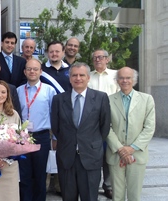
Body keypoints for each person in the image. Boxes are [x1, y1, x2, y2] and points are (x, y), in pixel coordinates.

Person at [51, 62, 111, 201]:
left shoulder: (101, 98)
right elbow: (56, 126)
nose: (78, 78)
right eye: (74, 75)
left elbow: (105, 126)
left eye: (82, 75)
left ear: (88, 77)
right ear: (70, 78)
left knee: (90, 197)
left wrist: (91, 142)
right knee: (68, 197)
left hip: (91, 156)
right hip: (66, 157)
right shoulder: (59, 99)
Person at [106, 67, 155, 201]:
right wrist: (121, 150)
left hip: (137, 154)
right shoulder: (108, 100)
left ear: (134, 80)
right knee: (117, 195)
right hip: (116, 154)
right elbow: (106, 127)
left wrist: (131, 148)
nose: (125, 81)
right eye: (121, 78)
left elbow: (149, 127)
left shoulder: (147, 99)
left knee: (135, 195)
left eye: (128, 78)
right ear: (117, 81)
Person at [17, 59, 57, 201]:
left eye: (35, 69)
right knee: (25, 175)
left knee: (40, 175)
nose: (32, 71)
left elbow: (54, 114)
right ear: (25, 72)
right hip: (22, 137)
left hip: (42, 136)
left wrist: (55, 137)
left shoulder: (49, 90)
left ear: (41, 71)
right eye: (29, 69)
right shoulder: (18, 90)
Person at [88, 49, 119, 199]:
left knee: (110, 155)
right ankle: (92, 185)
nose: (97, 60)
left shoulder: (116, 76)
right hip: (92, 123)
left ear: (107, 59)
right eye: (95, 58)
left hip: (112, 122)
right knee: (94, 155)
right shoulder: (88, 77)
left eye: (100, 57)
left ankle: (108, 185)